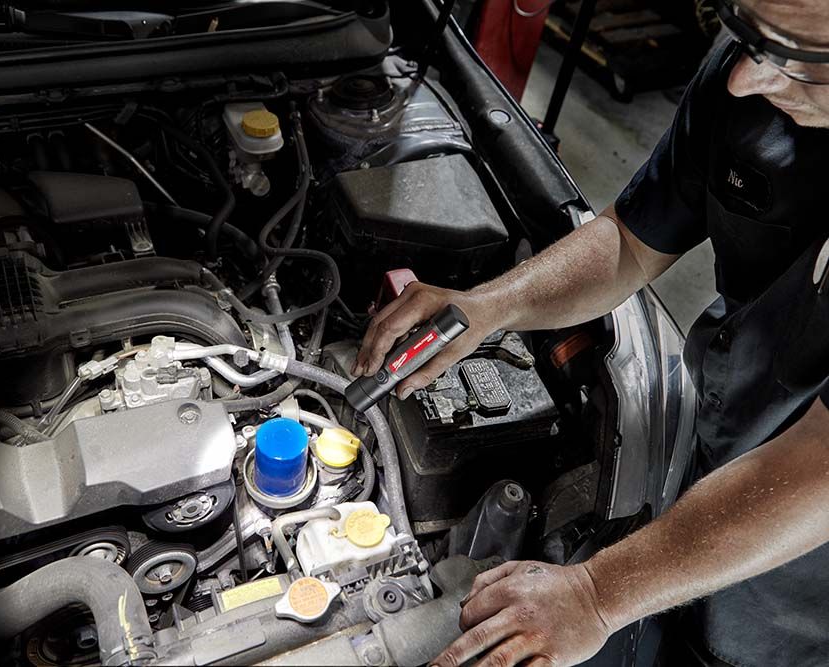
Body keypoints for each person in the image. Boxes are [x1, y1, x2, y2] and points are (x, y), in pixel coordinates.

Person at [353, 1, 829, 665]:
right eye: (745, 32)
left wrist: (597, 593)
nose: (743, 76)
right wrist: (488, 306)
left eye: (795, 57)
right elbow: (631, 241)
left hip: (802, 558)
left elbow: (820, 466)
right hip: (723, 439)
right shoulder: (750, 73)